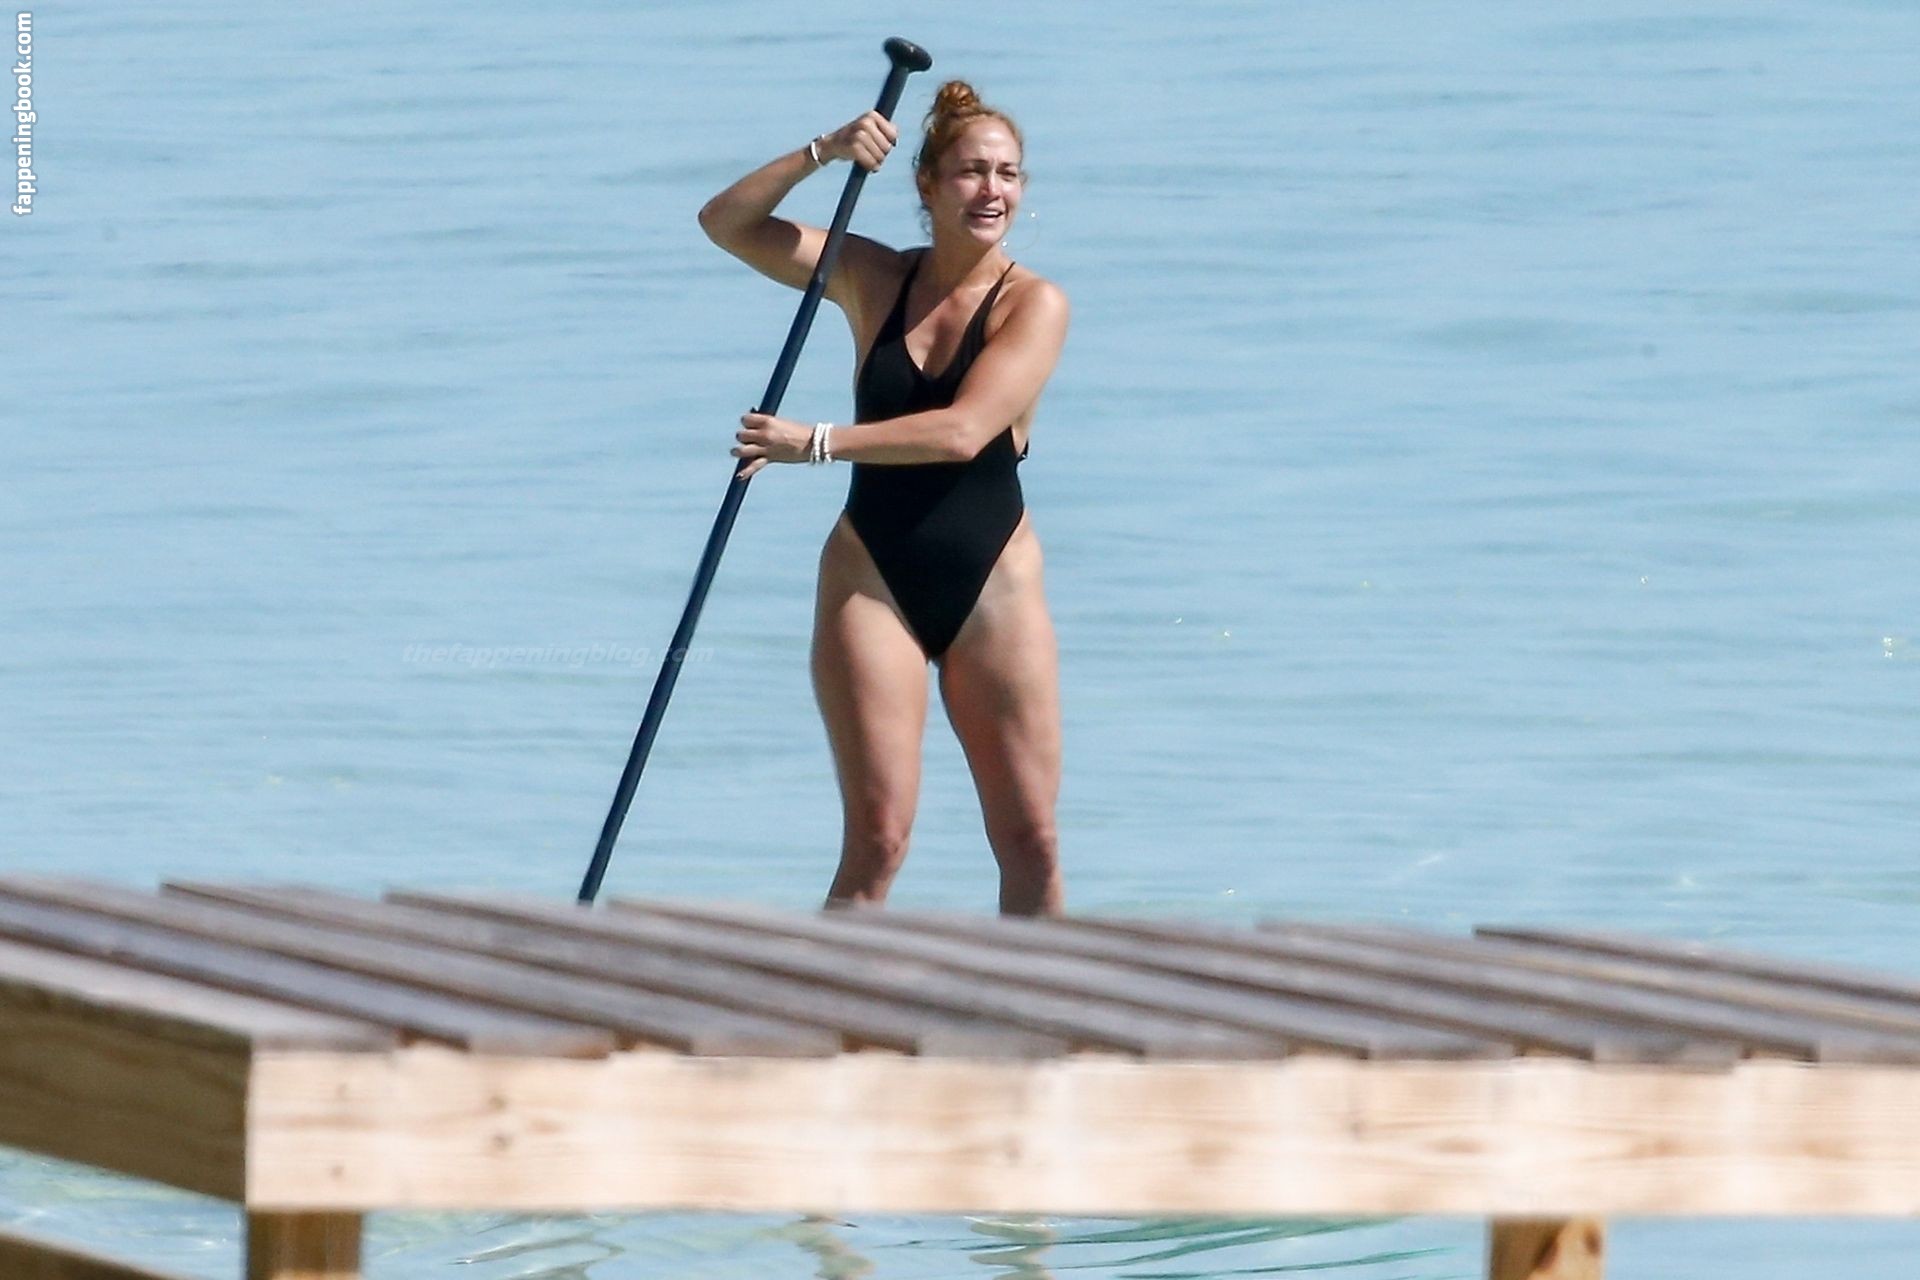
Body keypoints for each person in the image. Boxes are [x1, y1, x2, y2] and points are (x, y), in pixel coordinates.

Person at [699, 80, 1070, 916]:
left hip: (994, 585)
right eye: (972, 172)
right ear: (927, 185)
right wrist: (823, 152)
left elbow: (963, 432)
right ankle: (829, 1001)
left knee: (1032, 842)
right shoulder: (873, 275)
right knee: (878, 840)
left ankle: (1039, 1000)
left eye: (1008, 174)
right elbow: (726, 223)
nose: (993, 191)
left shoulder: (1035, 304)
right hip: (872, 576)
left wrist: (814, 443)